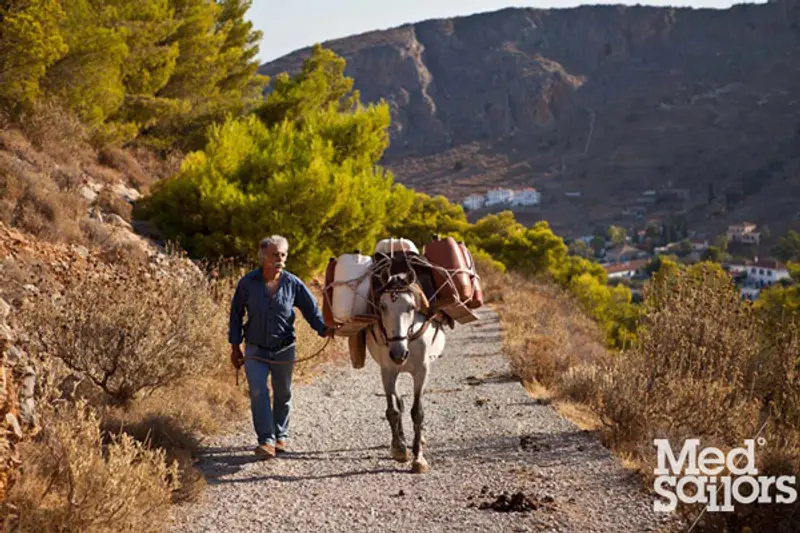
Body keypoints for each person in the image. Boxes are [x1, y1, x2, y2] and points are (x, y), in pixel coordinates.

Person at [229, 235, 334, 459]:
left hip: (284, 348)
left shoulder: (293, 283)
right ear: (263, 256)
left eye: (283, 254)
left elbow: (311, 310)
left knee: (283, 393)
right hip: (255, 348)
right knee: (258, 391)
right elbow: (236, 315)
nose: (280, 259)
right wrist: (235, 346)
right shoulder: (247, 283)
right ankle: (266, 440)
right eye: (275, 254)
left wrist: (324, 329)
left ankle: (280, 435)